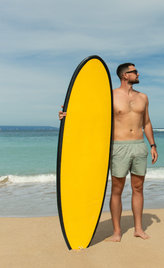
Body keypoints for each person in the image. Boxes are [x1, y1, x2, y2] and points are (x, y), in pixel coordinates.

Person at [59, 63, 158, 242]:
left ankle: (138, 229)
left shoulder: (143, 97)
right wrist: (68, 114)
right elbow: (90, 114)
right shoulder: (109, 96)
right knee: (117, 189)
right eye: (134, 71)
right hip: (118, 147)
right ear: (124, 75)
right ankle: (117, 232)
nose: (137, 73)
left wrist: (152, 145)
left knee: (138, 188)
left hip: (139, 146)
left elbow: (147, 123)